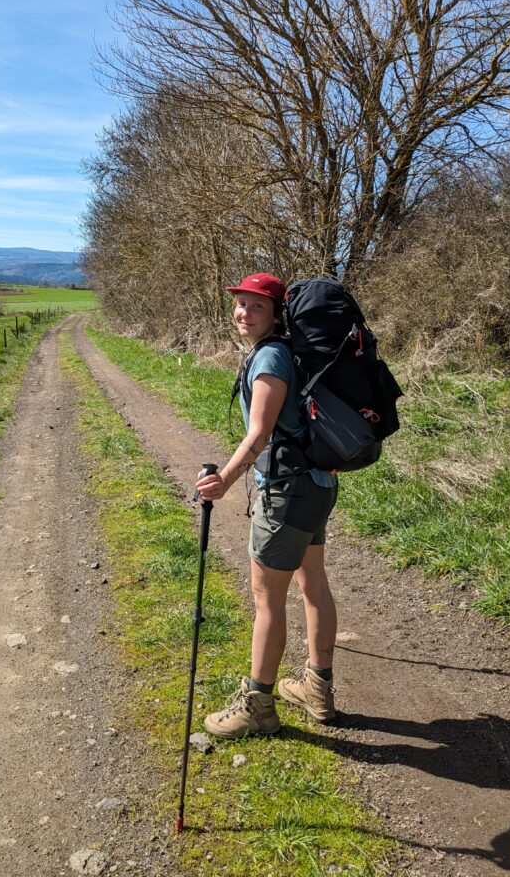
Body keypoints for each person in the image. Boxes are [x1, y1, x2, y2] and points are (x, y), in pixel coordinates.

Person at [194, 272, 339, 737]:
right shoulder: (285, 352)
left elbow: (259, 432)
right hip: (314, 485)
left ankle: (258, 704)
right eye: (240, 303)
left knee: (267, 599)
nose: (244, 312)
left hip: (288, 492)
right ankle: (317, 688)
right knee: (312, 585)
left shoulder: (272, 358)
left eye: (257, 306)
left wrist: (225, 479)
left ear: (276, 314)